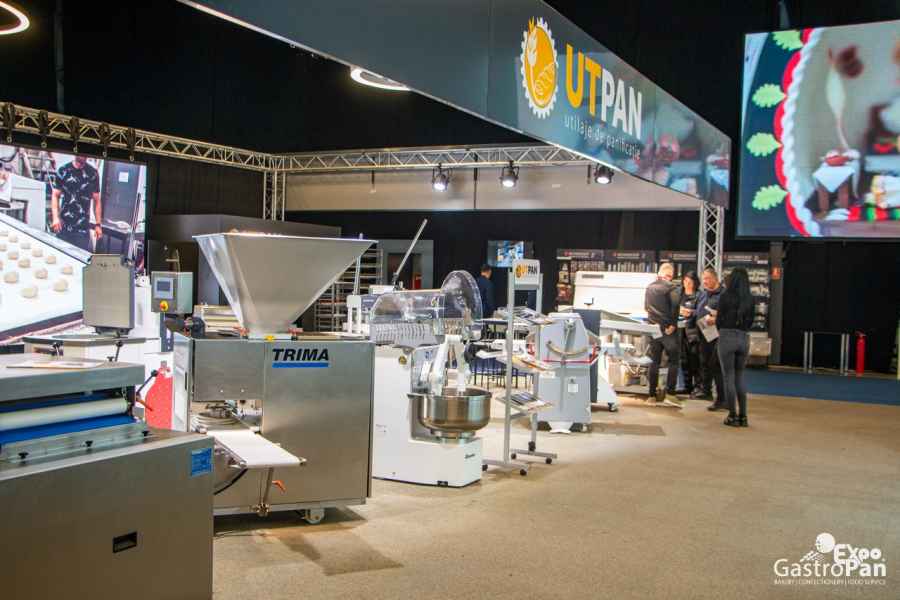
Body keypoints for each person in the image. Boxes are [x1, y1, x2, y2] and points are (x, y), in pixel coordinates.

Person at [716, 268, 755, 427]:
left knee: (729, 377)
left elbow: (719, 320)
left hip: (727, 337)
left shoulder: (725, 296)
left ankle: (732, 415)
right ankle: (743, 416)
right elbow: (751, 321)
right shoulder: (750, 298)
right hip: (743, 338)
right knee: (739, 377)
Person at [644, 262, 682, 408]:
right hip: (668, 330)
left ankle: (651, 395)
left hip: (653, 328)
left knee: (654, 361)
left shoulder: (649, 287)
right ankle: (670, 395)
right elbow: (675, 306)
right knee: (674, 361)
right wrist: (673, 324)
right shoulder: (672, 288)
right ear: (669, 275)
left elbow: (646, 307)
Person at [51, 155, 103, 251]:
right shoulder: (63, 170)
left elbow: (97, 201)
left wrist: (98, 224)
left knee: (79, 258)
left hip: (82, 230)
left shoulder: (93, 173)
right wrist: (55, 218)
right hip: (63, 227)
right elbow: (55, 195)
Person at [695, 268, 726, 410]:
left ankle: (721, 397)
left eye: (707, 278)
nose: (705, 281)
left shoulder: (724, 295)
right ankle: (706, 391)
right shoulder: (703, 294)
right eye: (703, 279)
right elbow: (699, 310)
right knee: (704, 362)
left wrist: (717, 318)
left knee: (716, 366)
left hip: (717, 335)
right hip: (703, 333)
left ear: (715, 278)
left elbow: (728, 314)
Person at [678, 270, 702, 395]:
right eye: (685, 281)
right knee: (684, 360)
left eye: (690, 282)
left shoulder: (699, 295)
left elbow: (702, 311)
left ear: (695, 283)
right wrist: (679, 310)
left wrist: (691, 312)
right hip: (680, 331)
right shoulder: (679, 293)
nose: (687, 284)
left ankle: (698, 387)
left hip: (694, 333)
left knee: (695, 361)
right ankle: (687, 386)